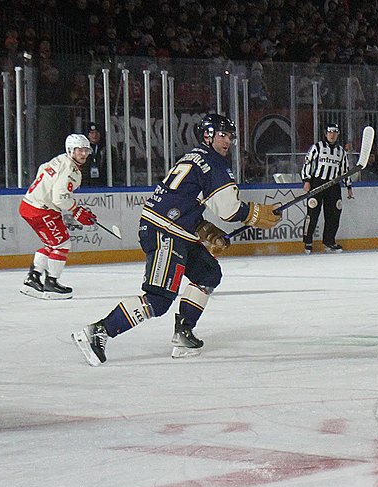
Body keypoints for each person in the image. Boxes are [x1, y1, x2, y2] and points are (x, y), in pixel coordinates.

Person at [70, 113, 282, 365]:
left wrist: (206, 231)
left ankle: (183, 332)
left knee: (208, 274)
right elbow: (230, 210)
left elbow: (183, 200)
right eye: (222, 135)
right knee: (158, 300)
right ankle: (99, 331)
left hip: (173, 228)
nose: (227, 141)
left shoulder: (194, 156)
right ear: (208, 135)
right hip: (165, 232)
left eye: (230, 137)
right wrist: (257, 214)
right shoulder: (213, 163)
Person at [18, 132, 98, 299]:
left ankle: (32, 279)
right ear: (70, 150)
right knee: (62, 244)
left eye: (86, 150)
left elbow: (42, 169)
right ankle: (51, 283)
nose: (83, 154)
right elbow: (60, 198)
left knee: (52, 244)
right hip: (42, 210)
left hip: (29, 205)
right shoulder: (70, 169)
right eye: (79, 150)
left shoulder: (59, 159)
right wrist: (78, 211)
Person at [301, 123, 350, 252]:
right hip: (318, 183)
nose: (332, 135)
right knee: (312, 213)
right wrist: (306, 180)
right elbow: (308, 163)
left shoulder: (341, 152)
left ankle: (329, 241)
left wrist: (349, 186)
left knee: (334, 213)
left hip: (333, 185)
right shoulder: (317, 147)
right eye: (330, 132)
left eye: (335, 132)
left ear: (338, 134)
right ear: (326, 133)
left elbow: (345, 170)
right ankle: (307, 242)